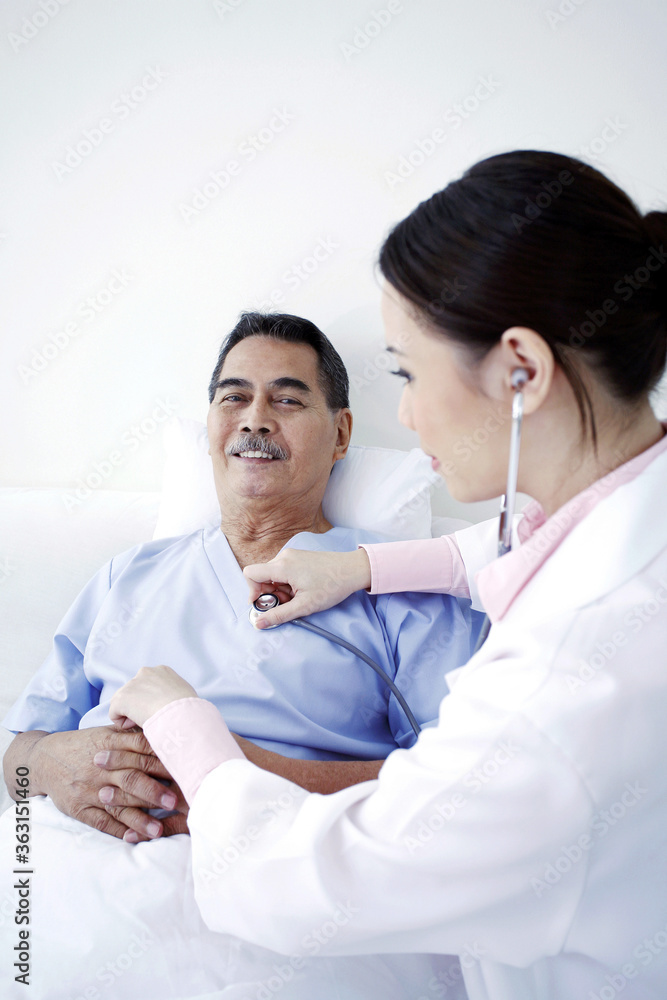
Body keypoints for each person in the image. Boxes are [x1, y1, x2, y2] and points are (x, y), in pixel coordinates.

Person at [110, 150, 667, 1000]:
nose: (400, 414)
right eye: (232, 398)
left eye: (406, 372)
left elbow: (301, 891)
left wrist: (186, 729)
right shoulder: (617, 516)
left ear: (520, 370)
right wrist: (362, 569)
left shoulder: (562, 685)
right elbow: (505, 550)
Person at [0, 311, 479, 999]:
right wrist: (49, 763)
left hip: (273, 887)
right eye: (234, 397)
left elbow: (457, 792)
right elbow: (13, 758)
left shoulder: (400, 594)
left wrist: (234, 777)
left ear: (340, 433)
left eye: (286, 399)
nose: (255, 418)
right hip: (72, 878)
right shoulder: (126, 578)